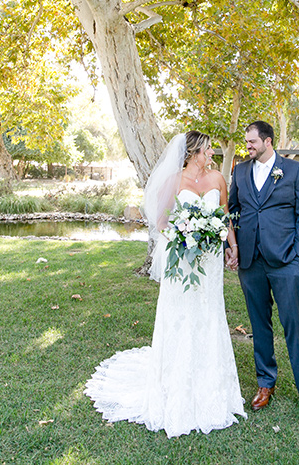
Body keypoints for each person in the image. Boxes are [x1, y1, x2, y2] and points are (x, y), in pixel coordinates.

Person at [85, 131, 246, 438]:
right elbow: (160, 222)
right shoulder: (173, 181)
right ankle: (176, 384)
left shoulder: (217, 180)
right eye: (208, 148)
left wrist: (231, 247)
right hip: (182, 261)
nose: (212, 153)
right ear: (194, 152)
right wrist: (184, 237)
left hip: (209, 263)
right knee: (180, 316)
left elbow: (224, 216)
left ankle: (211, 384)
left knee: (209, 314)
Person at [227, 121, 299, 421]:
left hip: (286, 262)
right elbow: (233, 211)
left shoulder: (294, 171)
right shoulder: (240, 172)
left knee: (294, 326)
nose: (248, 147)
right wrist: (232, 247)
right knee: (259, 326)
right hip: (251, 263)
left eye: (252, 142)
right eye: (247, 142)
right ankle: (265, 383)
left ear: (268, 142)